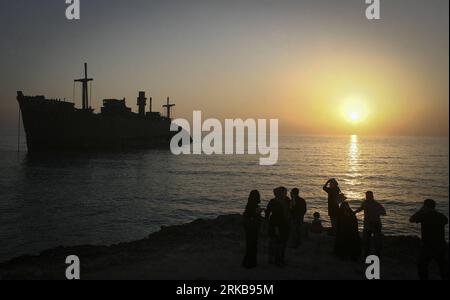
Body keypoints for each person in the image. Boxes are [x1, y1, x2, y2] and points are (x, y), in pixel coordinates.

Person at [410, 199, 449, 280]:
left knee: (422, 266)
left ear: (425, 206)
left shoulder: (424, 216)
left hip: (428, 245)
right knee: (443, 267)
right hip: (441, 245)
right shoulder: (441, 216)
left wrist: (421, 210)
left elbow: (412, 219)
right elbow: (446, 221)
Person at [354, 191, 386, 258]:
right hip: (367, 224)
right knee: (366, 240)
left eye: (370, 196)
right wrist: (354, 212)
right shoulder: (364, 202)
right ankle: (366, 255)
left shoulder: (376, 204)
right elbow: (360, 208)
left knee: (377, 241)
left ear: (372, 197)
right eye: (367, 196)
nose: (368, 198)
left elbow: (383, 211)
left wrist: (377, 213)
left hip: (376, 224)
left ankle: (378, 255)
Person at [266, 187, 290, 266]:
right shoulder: (275, 202)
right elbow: (270, 213)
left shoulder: (286, 200)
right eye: (284, 193)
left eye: (286, 193)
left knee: (280, 243)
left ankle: (278, 259)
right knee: (277, 243)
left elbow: (267, 213)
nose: (286, 194)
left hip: (283, 224)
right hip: (277, 225)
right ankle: (276, 260)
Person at [242, 190, 263, 269]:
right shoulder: (255, 206)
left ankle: (247, 262)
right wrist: (259, 212)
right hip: (253, 228)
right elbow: (256, 216)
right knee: (253, 245)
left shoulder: (249, 205)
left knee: (249, 245)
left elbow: (247, 216)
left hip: (248, 228)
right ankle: (251, 263)